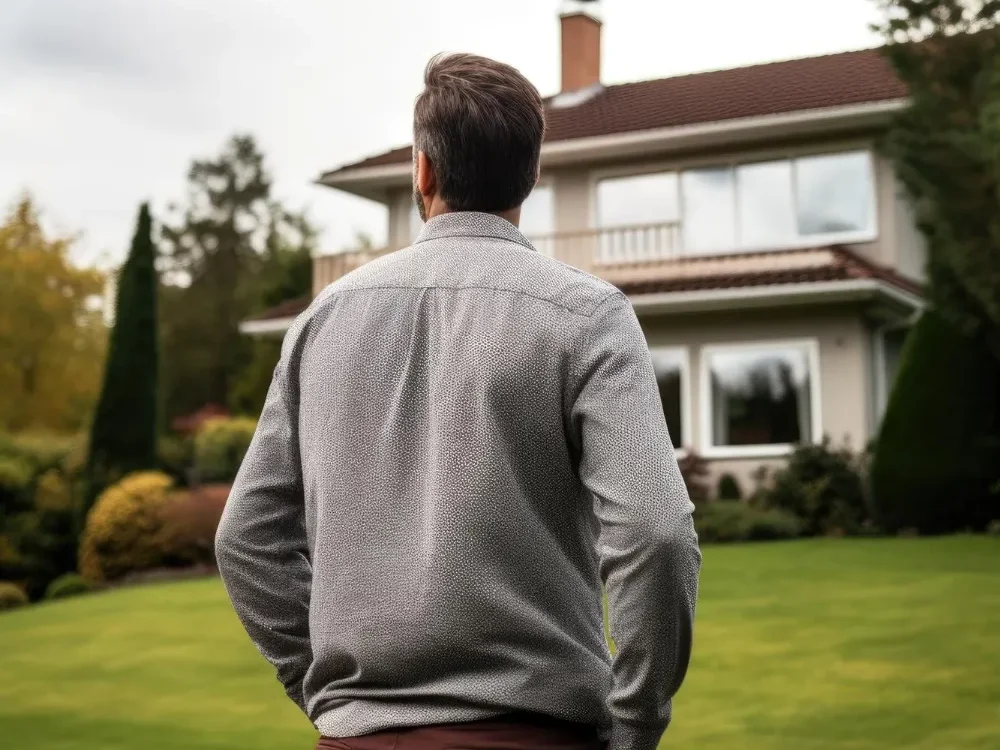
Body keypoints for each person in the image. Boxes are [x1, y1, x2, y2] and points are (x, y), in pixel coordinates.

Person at [215, 52, 701, 750]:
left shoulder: (322, 323)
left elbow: (246, 539)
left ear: (423, 170)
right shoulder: (587, 316)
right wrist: (637, 723)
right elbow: (657, 532)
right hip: (535, 736)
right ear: (531, 175)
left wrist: (327, 692)